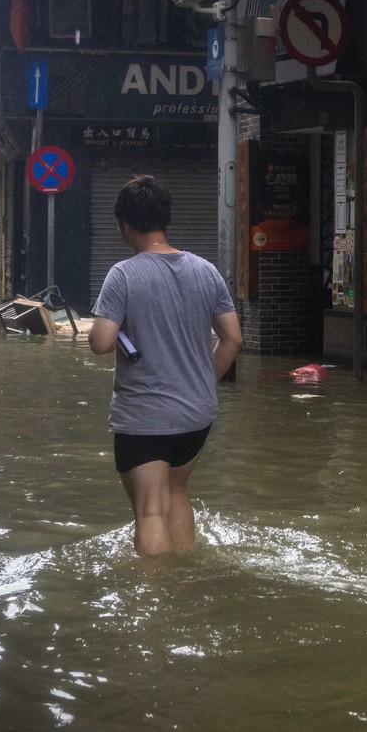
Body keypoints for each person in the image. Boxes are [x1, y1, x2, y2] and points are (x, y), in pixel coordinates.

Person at [89, 175, 243, 558]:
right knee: (176, 492)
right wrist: (204, 383)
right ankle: (186, 575)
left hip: (145, 416)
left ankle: (154, 599)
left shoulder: (123, 275)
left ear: (125, 225)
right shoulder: (205, 270)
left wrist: (121, 323)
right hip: (196, 414)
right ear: (165, 219)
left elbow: (101, 343)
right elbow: (233, 339)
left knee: (150, 510)